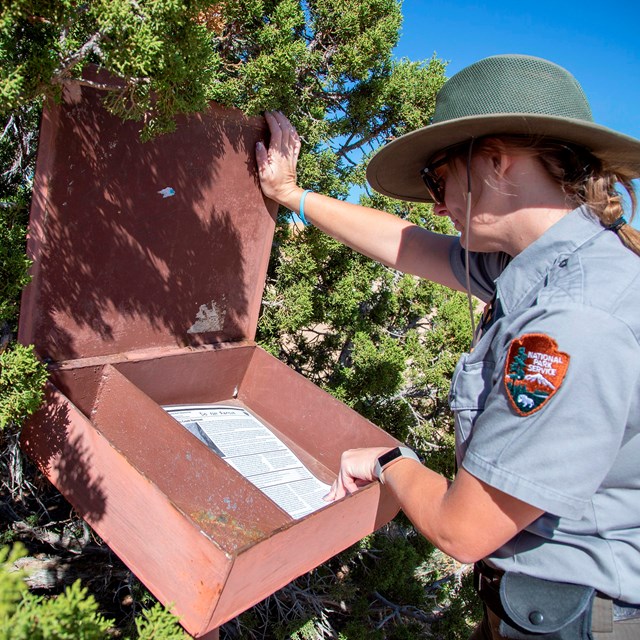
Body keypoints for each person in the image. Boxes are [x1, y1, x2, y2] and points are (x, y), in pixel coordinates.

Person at [255, 54, 640, 639]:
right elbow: (411, 246)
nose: (435, 202)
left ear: (496, 162)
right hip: (551, 606)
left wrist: (390, 464)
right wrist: (293, 195)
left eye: (438, 180)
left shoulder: (572, 320)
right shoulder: (561, 262)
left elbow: (463, 532)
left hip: (576, 620)